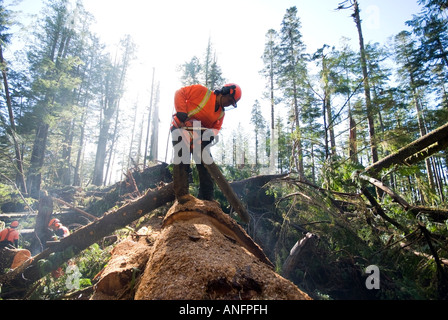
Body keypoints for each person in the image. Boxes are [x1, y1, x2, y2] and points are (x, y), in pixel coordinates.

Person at [171, 83, 242, 202]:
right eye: (229, 100)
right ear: (224, 91)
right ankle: (182, 197)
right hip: (181, 127)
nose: (228, 103)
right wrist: (181, 111)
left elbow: (215, 129)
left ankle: (207, 197)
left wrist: (208, 137)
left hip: (198, 137)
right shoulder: (201, 91)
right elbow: (180, 92)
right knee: (182, 161)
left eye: (231, 103)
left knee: (206, 165)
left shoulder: (221, 114)